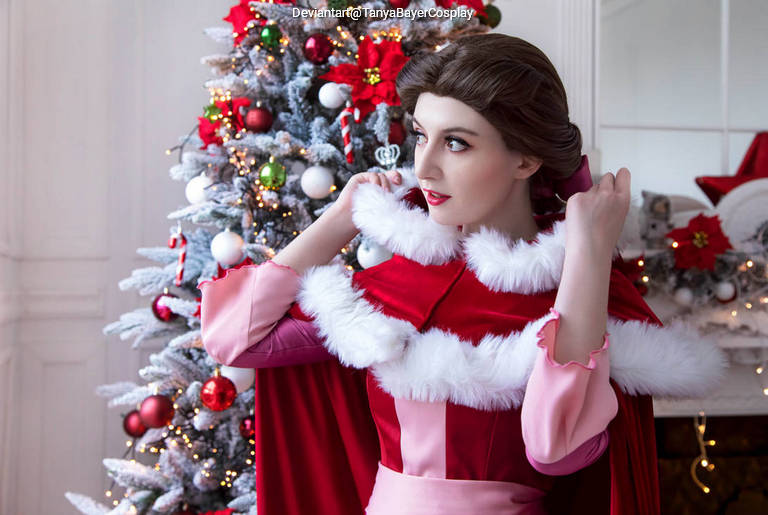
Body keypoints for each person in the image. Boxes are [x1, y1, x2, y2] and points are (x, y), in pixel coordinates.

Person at [199, 34, 727, 514]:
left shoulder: (584, 298)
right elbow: (232, 340)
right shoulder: (394, 291)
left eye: (456, 143)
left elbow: (555, 448)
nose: (424, 167)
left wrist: (587, 254)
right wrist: (343, 215)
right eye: (421, 135)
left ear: (526, 160)